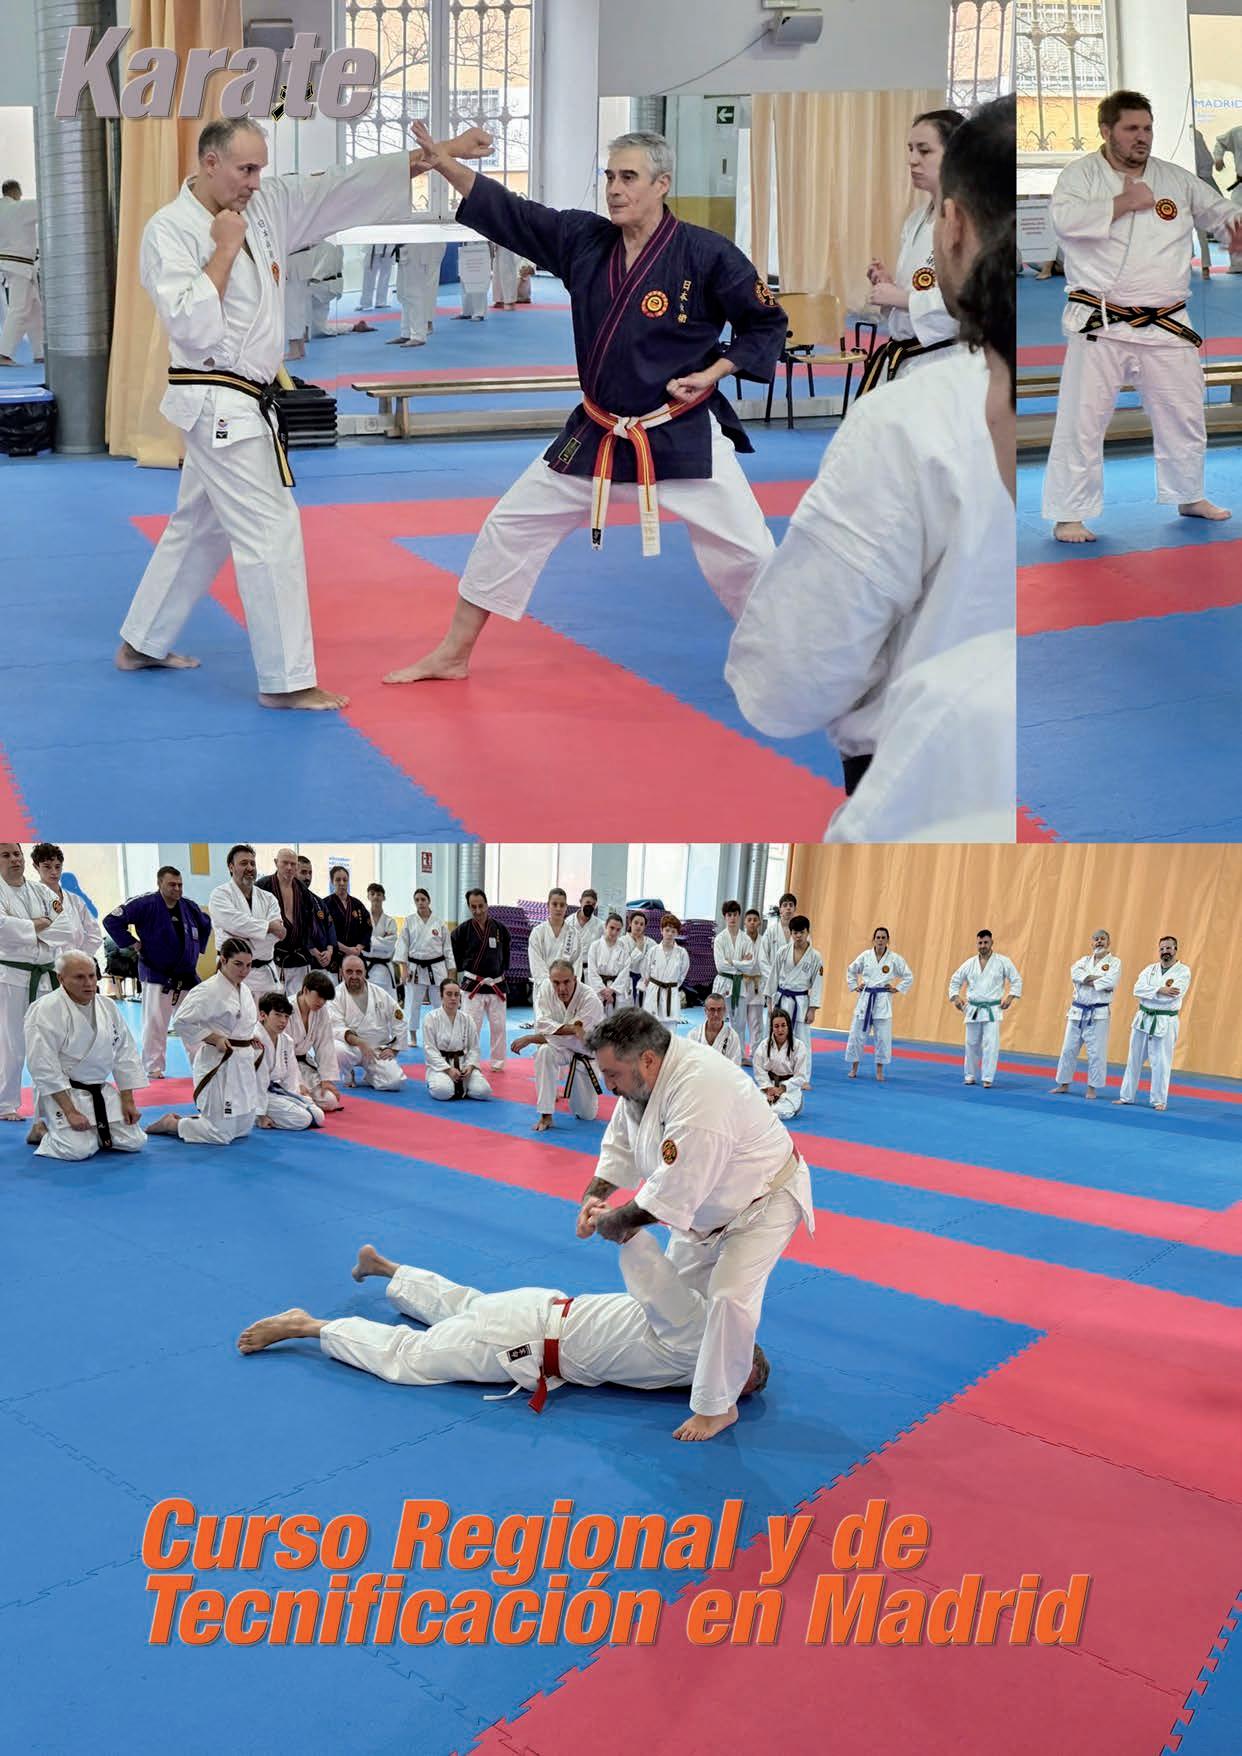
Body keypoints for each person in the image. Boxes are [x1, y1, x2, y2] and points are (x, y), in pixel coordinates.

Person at [382, 125, 788, 687]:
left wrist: (713, 373)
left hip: (679, 431)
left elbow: (765, 322)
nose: (615, 189)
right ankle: (453, 653)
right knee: (509, 528)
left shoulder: (707, 253)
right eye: (610, 176)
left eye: (629, 177)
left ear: (662, 184)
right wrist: (445, 164)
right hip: (597, 432)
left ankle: (785, 661)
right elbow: (516, 213)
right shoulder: (585, 240)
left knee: (752, 553)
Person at [115, 117, 491, 709]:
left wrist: (441, 154)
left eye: (260, 169)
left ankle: (141, 642)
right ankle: (286, 680)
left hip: (243, 399)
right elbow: (190, 325)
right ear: (209, 163)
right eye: (245, 169)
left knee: (200, 527)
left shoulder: (264, 205)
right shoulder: (170, 231)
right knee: (272, 530)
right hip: (219, 401)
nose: (255, 181)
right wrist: (224, 248)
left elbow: (341, 185)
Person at [726, 97, 1016, 840]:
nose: (913, 160)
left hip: (917, 767)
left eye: (926, 150)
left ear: (958, 225)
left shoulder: (911, 426)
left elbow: (791, 677)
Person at [577, 1008, 812, 1441]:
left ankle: (717, 1407)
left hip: (762, 1202)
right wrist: (595, 1195)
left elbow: (674, 1191)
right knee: (679, 1305)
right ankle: (723, 1364)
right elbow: (622, 1146)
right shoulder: (640, 1085)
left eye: (612, 1074)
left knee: (728, 1296)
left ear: (647, 1060)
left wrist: (617, 1223)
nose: (607, 1084)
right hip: (707, 1209)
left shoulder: (700, 1091)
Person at [237, 1232, 772, 1418]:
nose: (727, 1390)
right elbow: (656, 1278)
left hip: (540, 1307)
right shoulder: (696, 1336)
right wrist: (627, 1230)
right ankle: (308, 1326)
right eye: (737, 1380)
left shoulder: (699, 1345)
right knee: (410, 1359)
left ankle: (387, 1269)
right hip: (523, 1345)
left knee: (466, 1306)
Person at [1042, 90, 1242, 543]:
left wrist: (1235, 226)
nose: (1142, 137)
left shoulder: (1175, 178)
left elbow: (1219, 211)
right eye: (1131, 128)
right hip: (1101, 323)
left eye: (1147, 128)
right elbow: (1065, 223)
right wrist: (1124, 202)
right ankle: (1069, 513)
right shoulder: (1080, 176)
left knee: (1185, 413)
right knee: (1081, 422)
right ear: (1106, 130)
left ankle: (1188, 493)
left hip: (1166, 321)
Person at [862, 109, 965, 391]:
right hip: (909, 358)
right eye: (910, 149)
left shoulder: (970, 223)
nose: (912, 160)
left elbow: (971, 302)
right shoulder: (917, 219)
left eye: (924, 150)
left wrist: (903, 298)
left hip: (947, 361)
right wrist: (891, 288)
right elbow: (920, 289)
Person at [23, 950, 146, 1159]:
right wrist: (70, 1111)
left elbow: (126, 1054)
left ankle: (82, 1131)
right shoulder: (45, 1009)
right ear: (61, 979)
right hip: (62, 1091)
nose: (88, 983)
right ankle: (41, 1130)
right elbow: (43, 1065)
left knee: (134, 1141)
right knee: (77, 1150)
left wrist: (128, 1101)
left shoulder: (107, 1006)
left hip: (99, 1089)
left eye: (92, 975)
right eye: (79, 977)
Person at [146, 938, 263, 1144]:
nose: (244, 971)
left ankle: (206, 1120)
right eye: (238, 964)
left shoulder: (244, 989)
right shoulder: (207, 990)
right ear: (223, 960)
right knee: (221, 1135)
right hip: (219, 1062)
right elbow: (181, 1021)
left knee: (243, 1128)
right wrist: (214, 1037)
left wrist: (247, 1036)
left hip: (242, 1062)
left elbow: (241, 1021)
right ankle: (172, 1124)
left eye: (248, 965)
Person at [103, 865, 211, 1079]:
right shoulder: (145, 904)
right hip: (157, 973)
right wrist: (132, 942)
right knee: (155, 1022)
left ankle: (201, 1064)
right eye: (172, 884)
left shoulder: (189, 906)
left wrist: (196, 948)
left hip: (186, 974)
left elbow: (206, 924)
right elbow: (111, 921)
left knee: (195, 1021)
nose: (177, 889)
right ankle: (153, 1068)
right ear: (159, 883)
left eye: (180, 885)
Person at [0, 842, 75, 1121]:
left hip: (44, 976)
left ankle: (49, 1101)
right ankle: (5, 1103)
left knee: (48, 1041)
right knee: (12, 1043)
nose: (14, 859)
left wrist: (30, 931)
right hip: (11, 977)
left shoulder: (43, 891)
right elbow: (2, 929)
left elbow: (66, 927)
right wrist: (37, 925)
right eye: (5, 855)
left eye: (17, 854)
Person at [512, 959, 605, 1131]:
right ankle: (545, 1114)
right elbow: (542, 1024)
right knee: (544, 1052)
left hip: (584, 1055)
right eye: (556, 983)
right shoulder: (546, 990)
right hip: (560, 1050)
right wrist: (572, 1029)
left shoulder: (590, 999)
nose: (561, 988)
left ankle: (578, 1096)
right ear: (550, 980)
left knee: (586, 1114)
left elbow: (575, 1038)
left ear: (575, 979)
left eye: (566, 982)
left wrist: (532, 1038)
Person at [1117, 936, 1192, 1112]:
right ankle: (1126, 1096)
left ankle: (1159, 1100)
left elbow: (1172, 996)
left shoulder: (1183, 971)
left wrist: (1150, 992)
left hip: (1165, 1020)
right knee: (1133, 1059)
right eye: (1162, 948)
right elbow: (1137, 989)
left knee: (1161, 1062)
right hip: (1143, 1018)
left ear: (1175, 949)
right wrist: (1159, 989)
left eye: (1169, 948)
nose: (1165, 951)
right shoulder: (1149, 969)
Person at [1050, 929, 1120, 1099]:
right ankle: (1063, 1084)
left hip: (1098, 1014)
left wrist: (1087, 979)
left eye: (1102, 939)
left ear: (1109, 942)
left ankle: (1092, 1088)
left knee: (1096, 1053)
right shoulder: (1083, 961)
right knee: (1068, 1049)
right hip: (1077, 1011)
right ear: (1091, 943)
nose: (1099, 942)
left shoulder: (1115, 962)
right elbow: (1075, 974)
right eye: (1096, 939)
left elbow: (1110, 982)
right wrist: (1098, 979)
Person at [948, 929, 1022, 1088]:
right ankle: (970, 1075)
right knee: (971, 1043)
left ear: (992, 943)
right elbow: (955, 981)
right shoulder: (969, 963)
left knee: (990, 1044)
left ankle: (987, 1077)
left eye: (986, 942)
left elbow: (1016, 980)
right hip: (973, 1008)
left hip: (992, 1009)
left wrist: (1010, 997)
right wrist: (955, 997)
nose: (983, 945)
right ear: (977, 944)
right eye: (980, 943)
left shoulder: (1003, 962)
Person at [257, 848, 335, 997]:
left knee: (299, 1002)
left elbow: (308, 924)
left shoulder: (302, 890)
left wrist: (312, 949)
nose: (289, 867)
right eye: (285, 863)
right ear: (276, 862)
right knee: (272, 1002)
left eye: (293, 864)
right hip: (272, 958)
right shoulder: (262, 886)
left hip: (300, 958)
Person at [209, 844, 285, 995]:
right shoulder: (220, 895)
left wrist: (241, 937)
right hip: (231, 973)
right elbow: (235, 923)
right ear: (231, 867)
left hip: (265, 975)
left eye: (252, 863)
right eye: (244, 863)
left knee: (268, 1010)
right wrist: (268, 927)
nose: (250, 868)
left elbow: (278, 934)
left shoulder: (268, 898)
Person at [450, 889, 510, 1072]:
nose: (478, 911)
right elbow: (453, 954)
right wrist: (463, 967)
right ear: (469, 907)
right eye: (473, 907)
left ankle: (498, 1062)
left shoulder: (500, 929)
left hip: (496, 984)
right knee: (471, 1027)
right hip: (473, 984)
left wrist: (501, 968)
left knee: (499, 1027)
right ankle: (470, 1061)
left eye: (481, 906)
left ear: (487, 905)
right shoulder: (462, 930)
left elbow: (506, 954)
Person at [844, 927, 914, 1082]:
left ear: (888, 940)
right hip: (865, 999)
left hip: (882, 1000)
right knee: (857, 1035)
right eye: (878, 937)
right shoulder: (865, 956)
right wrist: (855, 985)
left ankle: (880, 1071)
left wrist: (897, 988)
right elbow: (851, 970)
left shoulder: (894, 958)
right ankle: (854, 1068)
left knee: (882, 1038)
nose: (880, 940)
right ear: (873, 940)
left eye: (883, 937)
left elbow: (908, 976)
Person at [329, 954, 405, 1092]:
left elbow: (399, 1019)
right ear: (341, 972)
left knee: (394, 1082)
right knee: (335, 1049)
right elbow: (336, 1027)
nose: (354, 976)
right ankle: (347, 1072)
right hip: (351, 1048)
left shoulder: (380, 993)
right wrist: (360, 1042)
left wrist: (394, 1048)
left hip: (376, 1050)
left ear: (365, 972)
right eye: (349, 971)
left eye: (359, 972)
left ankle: (371, 1075)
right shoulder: (335, 996)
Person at [254, 990, 324, 1130]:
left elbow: (291, 1074)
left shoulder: (286, 1040)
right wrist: (260, 1114)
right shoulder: (254, 1039)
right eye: (278, 1015)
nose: (283, 1021)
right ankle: (254, 1116)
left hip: (274, 1090)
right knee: (303, 1119)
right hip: (254, 1093)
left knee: (318, 1116)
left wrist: (295, 1094)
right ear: (263, 1015)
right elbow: (258, 1080)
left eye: (286, 1016)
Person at [395, 888, 451, 1047]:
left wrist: (451, 971)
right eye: (417, 900)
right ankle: (412, 1035)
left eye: (423, 899)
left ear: (429, 901)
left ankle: (441, 1034)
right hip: (415, 968)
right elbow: (402, 946)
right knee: (412, 1003)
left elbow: (447, 949)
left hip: (436, 968)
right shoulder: (409, 921)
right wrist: (404, 969)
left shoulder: (439, 922)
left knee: (439, 1003)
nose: (420, 903)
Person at [422, 978, 491, 1101]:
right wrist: (448, 1070)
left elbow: (474, 1048)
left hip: (463, 1064)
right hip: (441, 1067)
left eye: (456, 994)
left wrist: (470, 1066)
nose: (453, 998)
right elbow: (430, 1050)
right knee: (443, 1091)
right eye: (449, 994)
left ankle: (462, 1087)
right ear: (441, 996)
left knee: (484, 1091)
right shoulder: (431, 1018)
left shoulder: (467, 1019)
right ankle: (441, 1083)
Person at [766, 915, 822, 1063]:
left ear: (808, 932)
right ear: (791, 933)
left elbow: (817, 984)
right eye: (795, 932)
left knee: (802, 1040)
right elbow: (773, 977)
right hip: (782, 1000)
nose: (798, 936)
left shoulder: (815, 956)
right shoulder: (783, 951)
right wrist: (770, 1003)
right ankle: (776, 1069)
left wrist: (812, 1009)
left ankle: (803, 1073)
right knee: (778, 1036)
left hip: (801, 1002)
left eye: (802, 932)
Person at [30, 845, 103, 960]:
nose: (54, 872)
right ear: (36, 867)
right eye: (47, 867)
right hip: (47, 964)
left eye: (57, 866)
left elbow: (95, 934)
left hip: (76, 962)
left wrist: (81, 957)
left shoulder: (75, 900)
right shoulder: (30, 899)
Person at [0, 179, 42, 367]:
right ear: (17, 192)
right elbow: (46, 206)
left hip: (8, 263)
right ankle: (3, 353)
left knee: (34, 310)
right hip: (20, 265)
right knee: (19, 309)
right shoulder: (20, 208)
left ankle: (40, 352)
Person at [288, 970, 343, 1113]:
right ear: (305, 990)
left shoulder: (321, 1011)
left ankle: (302, 1099)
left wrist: (326, 1079)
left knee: (330, 1101)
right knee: (302, 1101)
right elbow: (283, 1052)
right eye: (319, 996)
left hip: (303, 1063)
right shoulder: (286, 1009)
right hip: (284, 1066)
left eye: (325, 999)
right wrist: (298, 1083)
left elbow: (325, 1045)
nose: (322, 1002)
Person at [711, 900, 758, 1044]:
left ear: (739, 916)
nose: (732, 918)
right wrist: (741, 962)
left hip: (739, 984)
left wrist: (732, 962)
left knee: (740, 1024)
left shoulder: (746, 939)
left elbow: (750, 966)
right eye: (729, 915)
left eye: (735, 915)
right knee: (717, 1020)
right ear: (725, 917)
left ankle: (739, 1053)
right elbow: (720, 966)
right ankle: (717, 1051)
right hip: (723, 983)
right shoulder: (720, 939)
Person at [753, 1008, 810, 1119]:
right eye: (776, 1026)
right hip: (769, 1086)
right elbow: (759, 1070)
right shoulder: (764, 1045)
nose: (780, 1029)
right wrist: (768, 1088)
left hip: (789, 1089)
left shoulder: (799, 1046)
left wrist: (782, 1088)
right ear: (772, 1028)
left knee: (778, 1112)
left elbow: (801, 1076)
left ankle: (796, 1103)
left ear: (788, 1026)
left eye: (783, 1025)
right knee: (752, 1108)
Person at [392, 238, 446, 346]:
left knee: (414, 291)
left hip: (419, 247)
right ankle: (406, 333)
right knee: (403, 293)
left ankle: (418, 335)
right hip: (405, 245)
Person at [527, 888, 582, 993]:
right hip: (544, 989)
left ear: (566, 907)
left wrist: (568, 985)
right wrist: (551, 985)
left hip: (567, 990)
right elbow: (536, 963)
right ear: (548, 905)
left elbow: (577, 964)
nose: (558, 908)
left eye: (562, 905)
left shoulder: (574, 934)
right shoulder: (538, 932)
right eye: (555, 904)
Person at [643, 914, 690, 1023]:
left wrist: (671, 985)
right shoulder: (653, 951)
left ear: (677, 933)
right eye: (667, 930)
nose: (669, 934)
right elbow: (646, 971)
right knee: (651, 1024)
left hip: (671, 991)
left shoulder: (682, 953)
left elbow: (682, 975)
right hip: (654, 991)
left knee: (670, 1026)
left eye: (673, 931)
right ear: (661, 930)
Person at [324, 866, 371, 974]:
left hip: (355, 957)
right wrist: (347, 950)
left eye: (345, 880)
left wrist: (358, 948)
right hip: (334, 958)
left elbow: (367, 929)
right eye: (338, 880)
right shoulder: (325, 904)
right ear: (332, 882)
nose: (342, 883)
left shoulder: (357, 904)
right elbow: (325, 933)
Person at [586, 911, 629, 1012]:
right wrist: (603, 991)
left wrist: (611, 990)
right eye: (612, 928)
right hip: (598, 991)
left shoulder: (623, 948)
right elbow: (592, 971)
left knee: (615, 1018)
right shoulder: (595, 946)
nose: (614, 932)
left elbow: (625, 972)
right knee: (597, 1016)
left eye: (618, 930)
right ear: (606, 926)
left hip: (615, 991)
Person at [686, 992, 742, 1064]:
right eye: (712, 1009)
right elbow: (688, 1063)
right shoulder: (693, 1035)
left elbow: (735, 1066)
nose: (716, 1014)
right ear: (705, 1011)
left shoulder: (733, 1037)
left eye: (719, 1009)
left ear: (724, 1010)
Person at [740, 908, 767, 1058]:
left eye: (755, 920)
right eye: (749, 920)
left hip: (757, 984)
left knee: (756, 1022)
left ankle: (756, 1053)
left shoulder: (764, 941)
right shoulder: (739, 940)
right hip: (742, 983)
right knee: (739, 1022)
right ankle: (739, 1052)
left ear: (759, 923)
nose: (752, 923)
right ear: (744, 922)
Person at [364, 884, 400, 993]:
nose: (376, 896)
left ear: (384, 898)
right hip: (366, 967)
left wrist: (370, 941)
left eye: (379, 894)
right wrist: (382, 940)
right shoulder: (362, 920)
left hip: (385, 971)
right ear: (368, 896)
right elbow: (361, 943)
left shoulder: (390, 921)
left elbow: (390, 946)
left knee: (387, 1001)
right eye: (372, 894)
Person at [622, 909, 652, 1009]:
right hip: (627, 980)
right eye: (636, 923)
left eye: (641, 924)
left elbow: (655, 963)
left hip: (644, 981)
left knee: (643, 1009)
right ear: (630, 923)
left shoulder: (651, 943)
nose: (638, 926)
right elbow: (626, 963)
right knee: (627, 1010)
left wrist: (651, 976)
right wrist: (639, 947)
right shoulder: (622, 941)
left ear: (644, 927)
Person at [572, 888, 605, 977]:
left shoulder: (601, 925)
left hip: (590, 971)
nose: (590, 906)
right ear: (580, 902)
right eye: (587, 903)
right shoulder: (569, 922)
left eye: (593, 904)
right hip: (572, 969)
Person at [359, 241, 397, 310]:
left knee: (384, 277)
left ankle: (381, 302)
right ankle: (366, 303)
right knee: (369, 277)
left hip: (388, 248)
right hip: (372, 249)